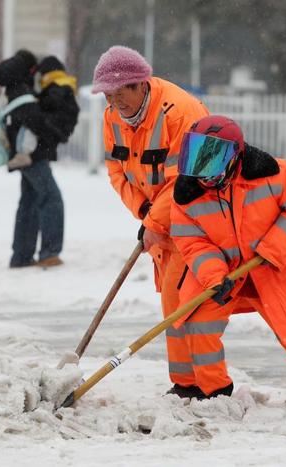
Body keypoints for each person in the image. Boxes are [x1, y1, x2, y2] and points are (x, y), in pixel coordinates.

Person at [168, 114, 286, 409]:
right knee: (199, 324)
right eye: (196, 156)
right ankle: (216, 392)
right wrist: (214, 275)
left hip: (272, 268)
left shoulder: (272, 174)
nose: (202, 169)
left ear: (234, 157)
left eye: (211, 158)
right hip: (225, 274)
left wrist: (274, 248)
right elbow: (193, 242)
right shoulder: (186, 195)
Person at [91, 45, 209, 396]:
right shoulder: (113, 117)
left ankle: (202, 383)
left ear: (141, 84)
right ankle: (187, 382)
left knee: (183, 301)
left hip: (198, 217)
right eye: (108, 96)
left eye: (121, 93)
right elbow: (116, 169)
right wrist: (145, 214)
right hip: (158, 222)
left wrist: (154, 223)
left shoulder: (180, 112)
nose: (115, 103)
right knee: (173, 302)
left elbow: (186, 180)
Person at [0, 49, 68, 269]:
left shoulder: (12, 91)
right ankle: (49, 254)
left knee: (29, 202)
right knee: (51, 199)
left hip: (23, 157)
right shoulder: (24, 94)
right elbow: (39, 125)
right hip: (31, 158)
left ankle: (21, 256)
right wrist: (56, 134)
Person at [36, 55, 80, 144]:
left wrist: (36, 101)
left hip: (51, 132)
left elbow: (50, 102)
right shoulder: (64, 83)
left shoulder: (57, 86)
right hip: (57, 132)